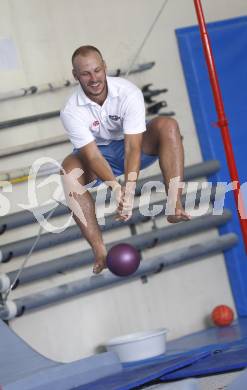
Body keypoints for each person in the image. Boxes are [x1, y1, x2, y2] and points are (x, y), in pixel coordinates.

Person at [60, 45, 190, 274]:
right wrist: (115, 188)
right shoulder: (71, 110)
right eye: (85, 74)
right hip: (99, 158)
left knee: (168, 125)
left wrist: (128, 190)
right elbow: (92, 155)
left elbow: (133, 146)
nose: (93, 79)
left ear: (105, 67)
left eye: (97, 71)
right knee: (68, 171)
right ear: (75, 76)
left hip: (132, 148)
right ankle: (99, 250)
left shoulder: (128, 92)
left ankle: (175, 205)